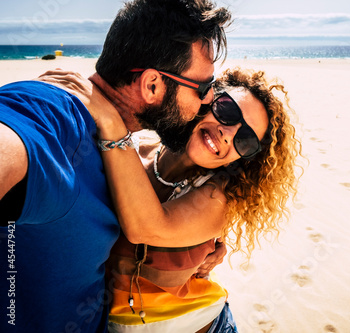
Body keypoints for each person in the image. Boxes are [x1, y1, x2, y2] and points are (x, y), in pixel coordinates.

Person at [0, 0, 231, 332]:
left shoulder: (119, 142)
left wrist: (203, 245)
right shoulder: (58, 115)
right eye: (204, 88)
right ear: (152, 85)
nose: (208, 100)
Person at [43, 67, 301, 332]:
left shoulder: (218, 199)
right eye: (227, 110)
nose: (228, 132)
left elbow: (146, 227)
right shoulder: (133, 150)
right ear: (207, 100)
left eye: (245, 140)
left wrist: (110, 119)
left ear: (242, 159)